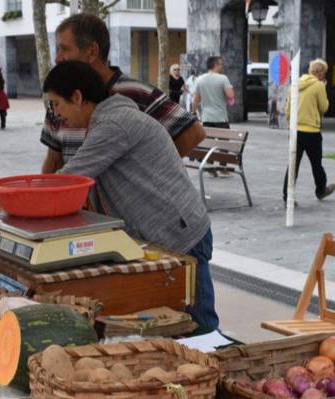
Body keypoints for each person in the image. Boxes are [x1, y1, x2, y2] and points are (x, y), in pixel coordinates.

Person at [44, 60, 218, 330]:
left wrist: (13, 201)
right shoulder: (107, 118)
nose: (56, 114)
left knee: (200, 330)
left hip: (181, 237)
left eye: (56, 104)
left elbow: (71, 179)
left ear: (77, 97)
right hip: (163, 235)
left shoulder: (114, 123)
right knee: (171, 329)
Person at [39, 13, 205, 174]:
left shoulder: (138, 93)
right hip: (76, 200)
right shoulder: (59, 101)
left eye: (64, 49)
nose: (58, 58)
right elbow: (54, 160)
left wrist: (148, 175)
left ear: (91, 52)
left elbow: (193, 134)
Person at [282, 58, 335, 204]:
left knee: (293, 164)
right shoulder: (318, 85)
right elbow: (324, 108)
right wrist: (323, 88)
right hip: (312, 132)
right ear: (320, 73)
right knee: (316, 164)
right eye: (324, 73)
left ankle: (288, 196)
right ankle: (321, 190)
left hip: (295, 131)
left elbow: (287, 111)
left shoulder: (294, 84)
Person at [193, 56, 235, 177]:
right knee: (224, 144)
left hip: (206, 118)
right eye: (221, 64)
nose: (222, 66)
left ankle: (210, 167)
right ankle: (222, 168)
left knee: (209, 143)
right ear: (215, 64)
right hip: (220, 118)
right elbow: (230, 95)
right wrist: (230, 90)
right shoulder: (223, 79)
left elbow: (195, 99)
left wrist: (194, 112)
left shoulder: (200, 79)